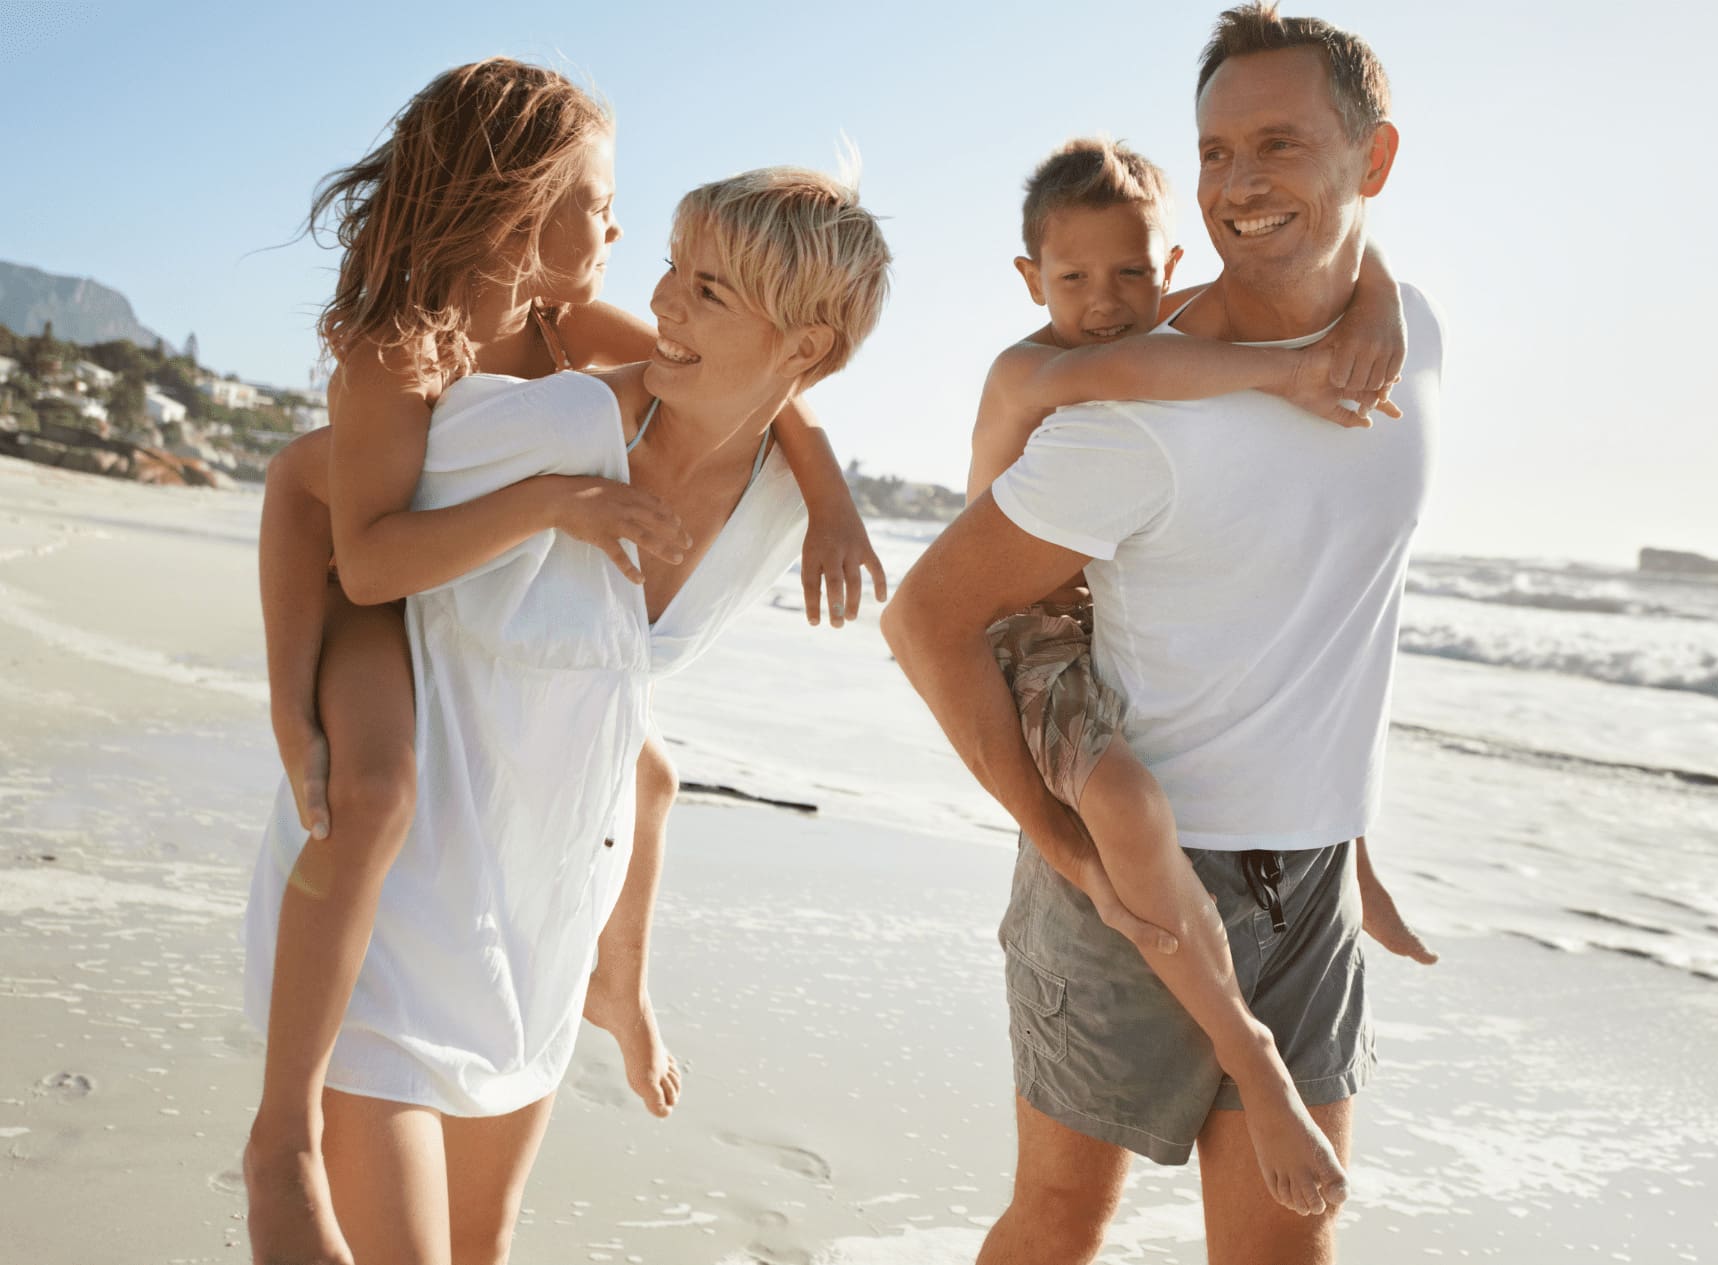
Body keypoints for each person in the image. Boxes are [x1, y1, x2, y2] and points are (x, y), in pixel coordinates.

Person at [243, 60, 883, 1265]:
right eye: (602, 200)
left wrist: (831, 487)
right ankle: (282, 1133)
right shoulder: (412, 363)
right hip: (365, 589)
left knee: (647, 777)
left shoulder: (562, 327)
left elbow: (760, 381)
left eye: (697, 276)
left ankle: (616, 986)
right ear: (517, 204)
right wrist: (291, 703)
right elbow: (322, 518)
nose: (632, 248)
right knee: (368, 792)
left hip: (505, 724)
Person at [882, 7, 1441, 1262]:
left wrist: (1352, 833)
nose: (1240, 181)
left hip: (1307, 886)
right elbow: (926, 616)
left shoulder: (1413, 341)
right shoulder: (1123, 407)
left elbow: (1328, 611)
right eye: (1217, 149)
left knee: (1285, 1246)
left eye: (1280, 143)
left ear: (1375, 159)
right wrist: (1055, 839)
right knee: (1062, 1220)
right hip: (1126, 871)